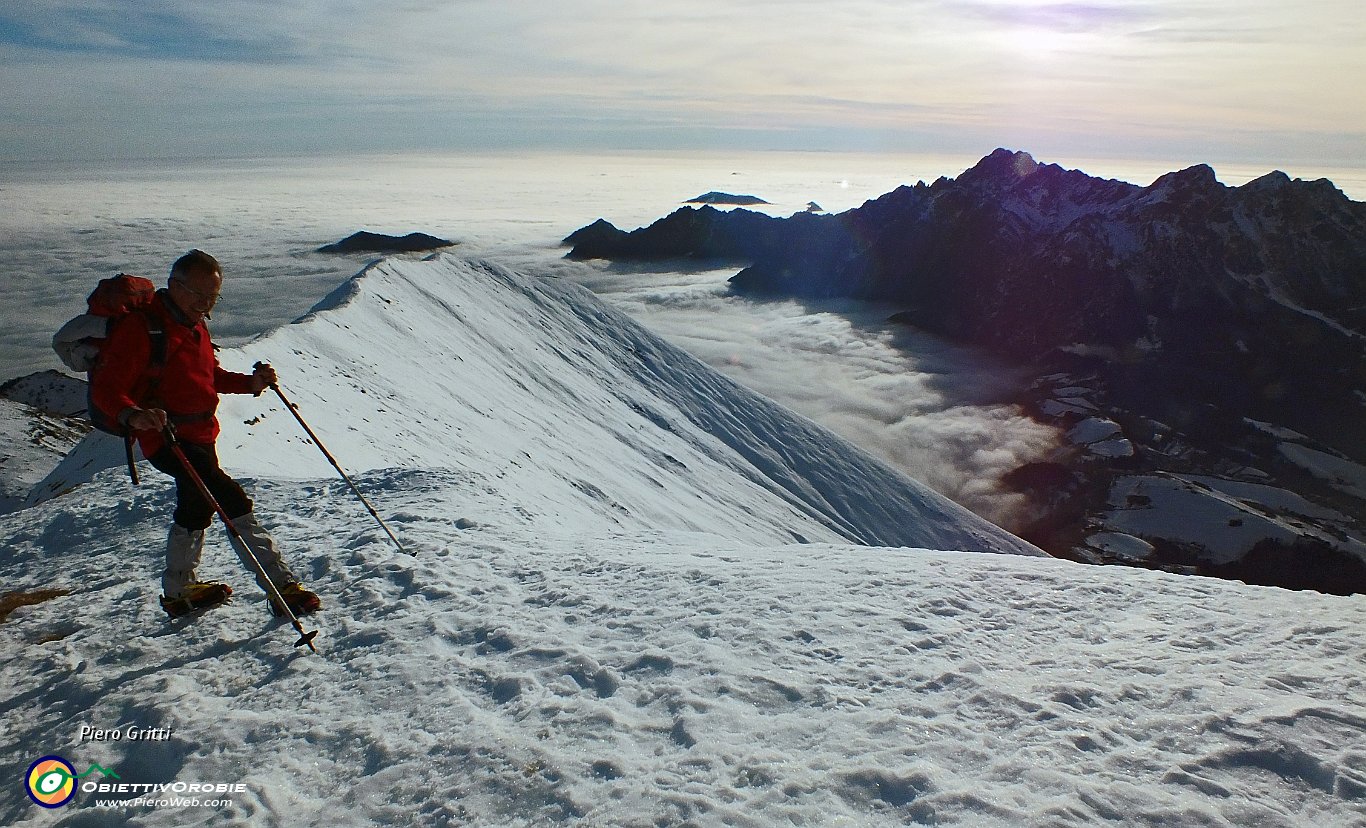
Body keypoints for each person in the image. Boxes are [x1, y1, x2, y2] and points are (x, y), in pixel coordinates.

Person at [91, 249, 321, 618]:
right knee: (229, 499)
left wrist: (251, 384)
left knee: (195, 507)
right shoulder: (143, 328)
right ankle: (282, 588)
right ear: (173, 286)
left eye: (212, 297)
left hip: (200, 434)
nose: (205, 304)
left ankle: (179, 591)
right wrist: (133, 415)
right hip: (166, 437)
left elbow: (206, 376)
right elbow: (106, 388)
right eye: (199, 295)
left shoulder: (193, 323)